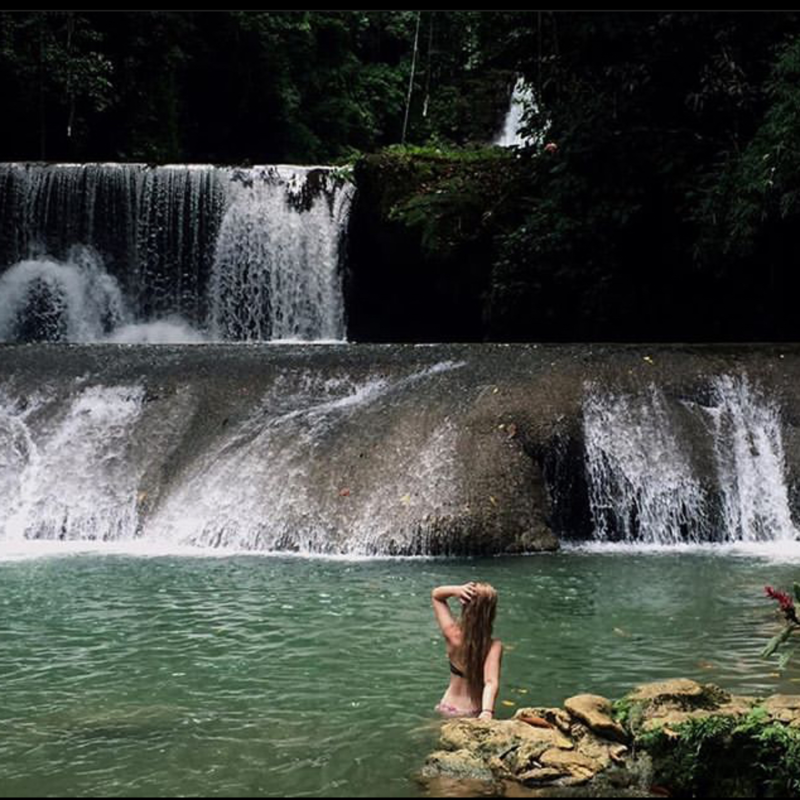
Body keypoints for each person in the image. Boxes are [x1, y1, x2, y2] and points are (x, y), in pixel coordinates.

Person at [431, 581, 503, 720]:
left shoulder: (452, 634)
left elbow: (436, 596)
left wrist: (456, 589)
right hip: (472, 710)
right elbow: (490, 682)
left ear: (465, 607)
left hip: (447, 705)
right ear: (491, 612)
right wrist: (487, 711)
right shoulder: (493, 646)